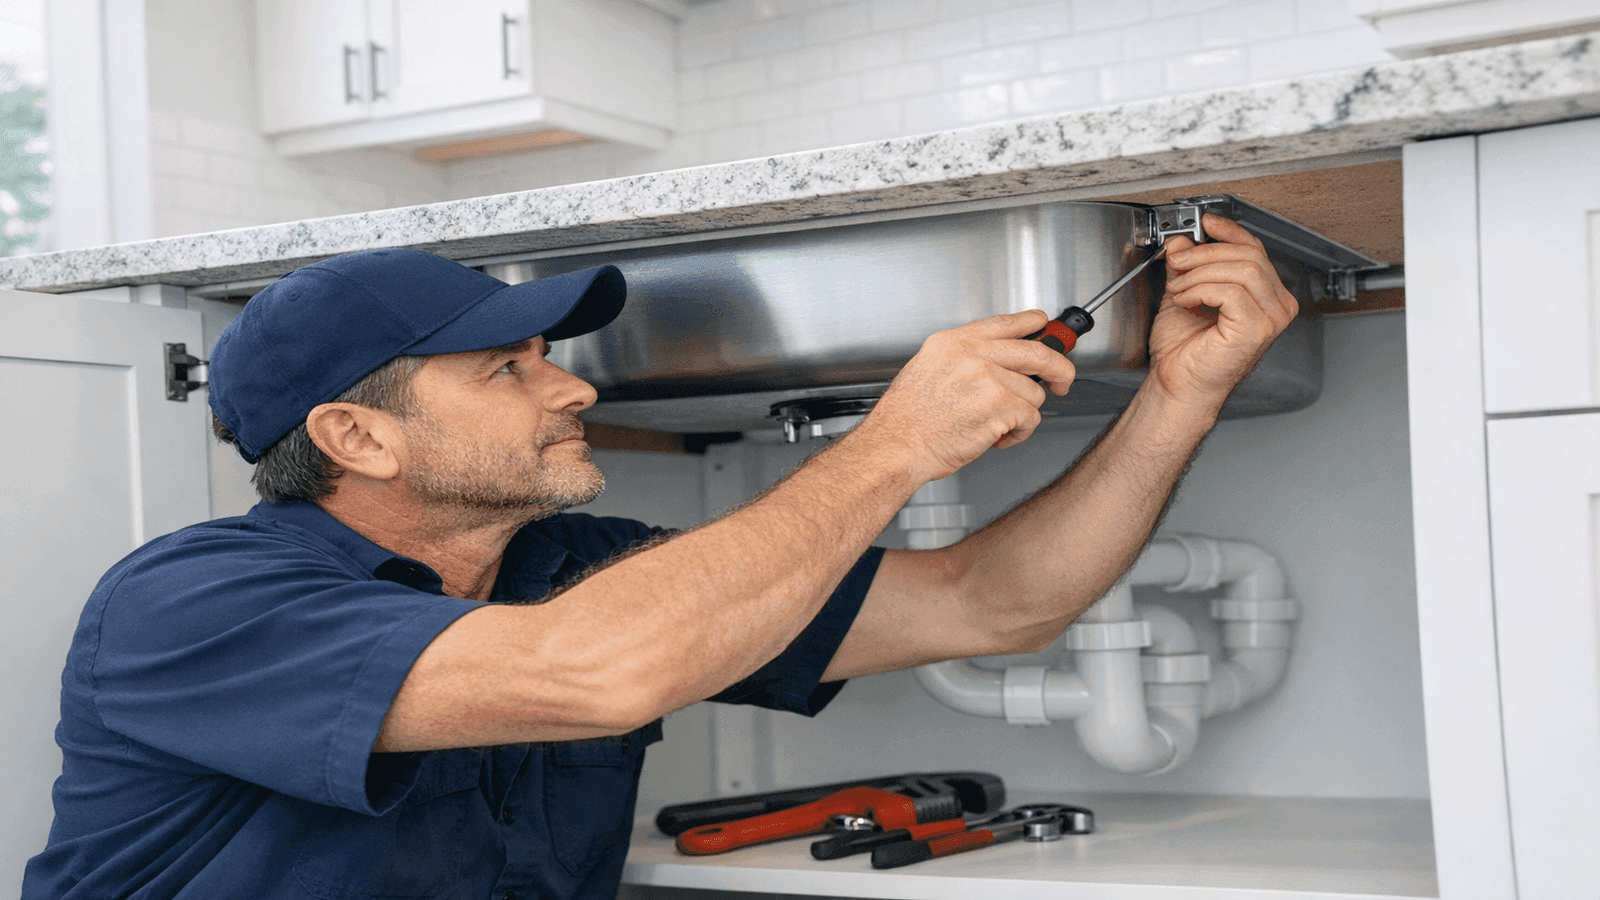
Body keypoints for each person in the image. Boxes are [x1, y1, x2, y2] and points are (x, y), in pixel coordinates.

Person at [23, 213, 1296, 900]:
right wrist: (894, 446)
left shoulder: (571, 565)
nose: (566, 391)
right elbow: (590, 676)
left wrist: (1179, 396)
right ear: (358, 436)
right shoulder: (191, 604)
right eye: (508, 367)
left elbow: (990, 603)